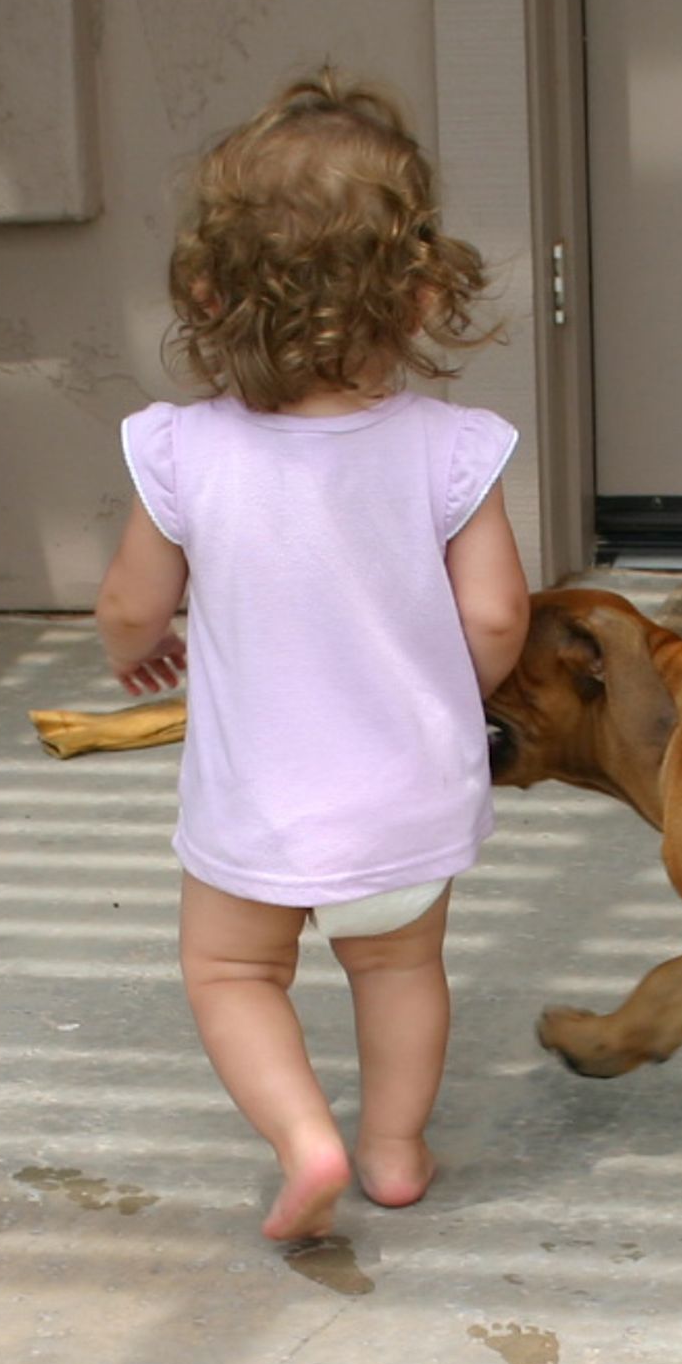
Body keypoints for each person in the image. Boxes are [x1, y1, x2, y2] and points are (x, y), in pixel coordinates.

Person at [94, 68, 531, 1244]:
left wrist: (136, 648)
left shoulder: (183, 451)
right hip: (403, 796)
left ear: (204, 287)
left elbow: (133, 602)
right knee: (397, 971)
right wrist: (442, 697)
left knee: (235, 973)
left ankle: (307, 1138)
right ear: (424, 292)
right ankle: (393, 1150)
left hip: (258, 805)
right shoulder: (452, 450)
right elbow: (495, 617)